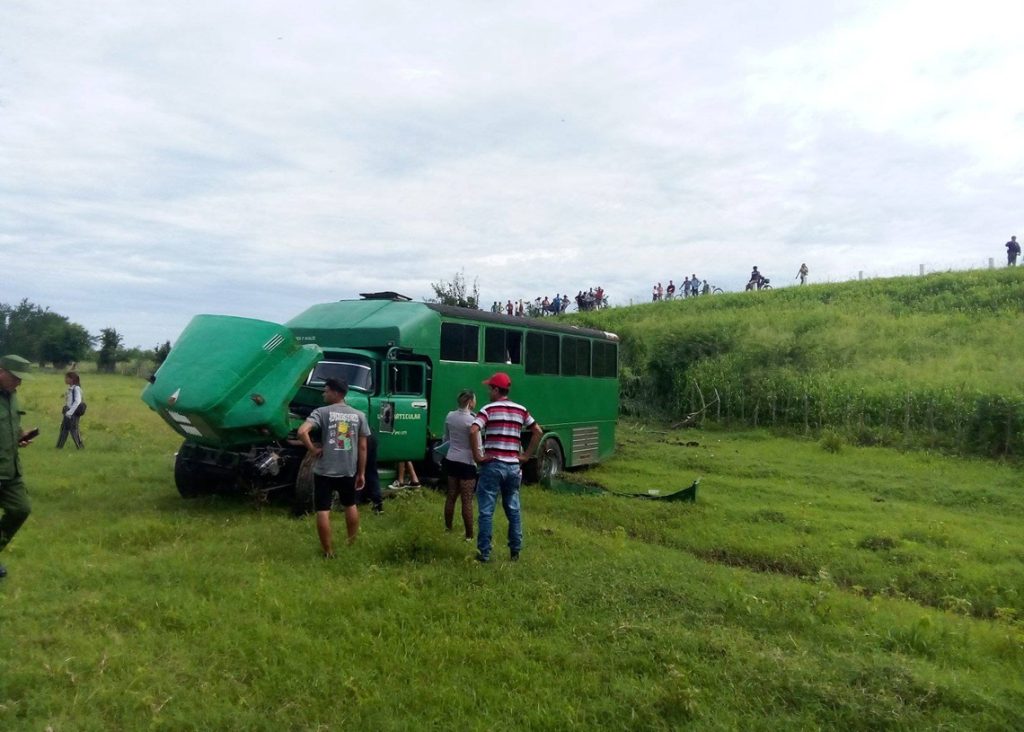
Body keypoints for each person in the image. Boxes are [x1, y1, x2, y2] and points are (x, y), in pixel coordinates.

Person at [470, 372, 542, 563]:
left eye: (489, 388)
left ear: (496, 389)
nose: (488, 392)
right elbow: (537, 431)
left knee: (486, 510)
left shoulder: (488, 409)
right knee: (513, 509)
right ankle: (515, 551)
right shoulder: (521, 410)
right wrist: (526, 455)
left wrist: (478, 456)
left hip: (492, 465)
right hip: (513, 467)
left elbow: (473, 429)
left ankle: (484, 553)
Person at [297, 377, 369, 556]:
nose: (323, 393)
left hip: (324, 470)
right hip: (348, 470)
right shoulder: (359, 415)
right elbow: (362, 447)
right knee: (350, 505)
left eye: (326, 390)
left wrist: (313, 449)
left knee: (323, 510)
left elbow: (301, 431)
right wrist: (361, 473)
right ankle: (351, 544)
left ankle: (328, 552)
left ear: (337, 393)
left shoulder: (321, 412)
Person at [1, 355, 35, 580]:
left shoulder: (11, 396)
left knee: (21, 509)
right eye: (16, 378)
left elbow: (10, 423)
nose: (19, 383)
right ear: (2, 372)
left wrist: (19, 436)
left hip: (11, 470)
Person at [443, 389, 477, 541]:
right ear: (470, 402)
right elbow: (477, 445)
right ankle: (469, 535)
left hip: (451, 458)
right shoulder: (472, 421)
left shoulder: (450, 416)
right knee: (467, 500)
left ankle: (448, 527)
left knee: (451, 496)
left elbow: (446, 438)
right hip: (467, 462)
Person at [56, 371, 85, 449]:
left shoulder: (76, 389)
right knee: (63, 429)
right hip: (68, 412)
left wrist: (70, 412)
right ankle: (59, 447)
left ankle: (80, 447)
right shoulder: (70, 389)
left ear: (72, 379)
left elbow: (77, 401)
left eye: (67, 378)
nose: (65, 379)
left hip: (73, 413)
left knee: (74, 430)